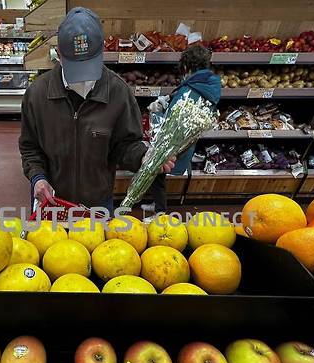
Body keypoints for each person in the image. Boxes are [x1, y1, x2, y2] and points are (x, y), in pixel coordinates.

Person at [19, 7, 174, 213]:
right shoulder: (37, 95)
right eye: (76, 67)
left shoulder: (118, 92)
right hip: (51, 202)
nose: (83, 78)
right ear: (60, 56)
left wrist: (144, 157)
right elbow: (30, 148)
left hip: (98, 204)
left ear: (101, 51)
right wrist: (38, 178)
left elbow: (125, 145)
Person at [141, 45, 221, 214]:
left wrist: (158, 113)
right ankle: (158, 206)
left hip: (176, 140)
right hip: (183, 139)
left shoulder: (192, 88)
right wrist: (167, 101)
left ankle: (160, 213)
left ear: (187, 66)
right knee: (159, 173)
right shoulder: (205, 84)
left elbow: (179, 121)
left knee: (159, 170)